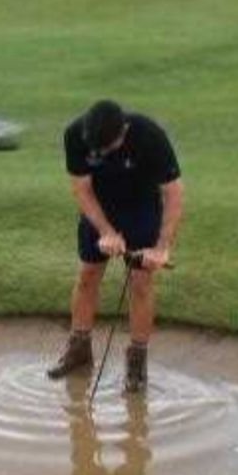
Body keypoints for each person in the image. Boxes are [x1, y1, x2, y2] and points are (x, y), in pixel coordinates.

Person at [46, 99, 184, 394]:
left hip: (141, 208)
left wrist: (161, 248)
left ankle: (137, 362)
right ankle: (80, 351)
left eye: (108, 148)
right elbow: (81, 189)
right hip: (99, 207)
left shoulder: (149, 136)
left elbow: (173, 193)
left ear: (124, 130)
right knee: (87, 275)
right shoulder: (75, 134)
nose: (101, 153)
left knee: (140, 283)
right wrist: (106, 231)